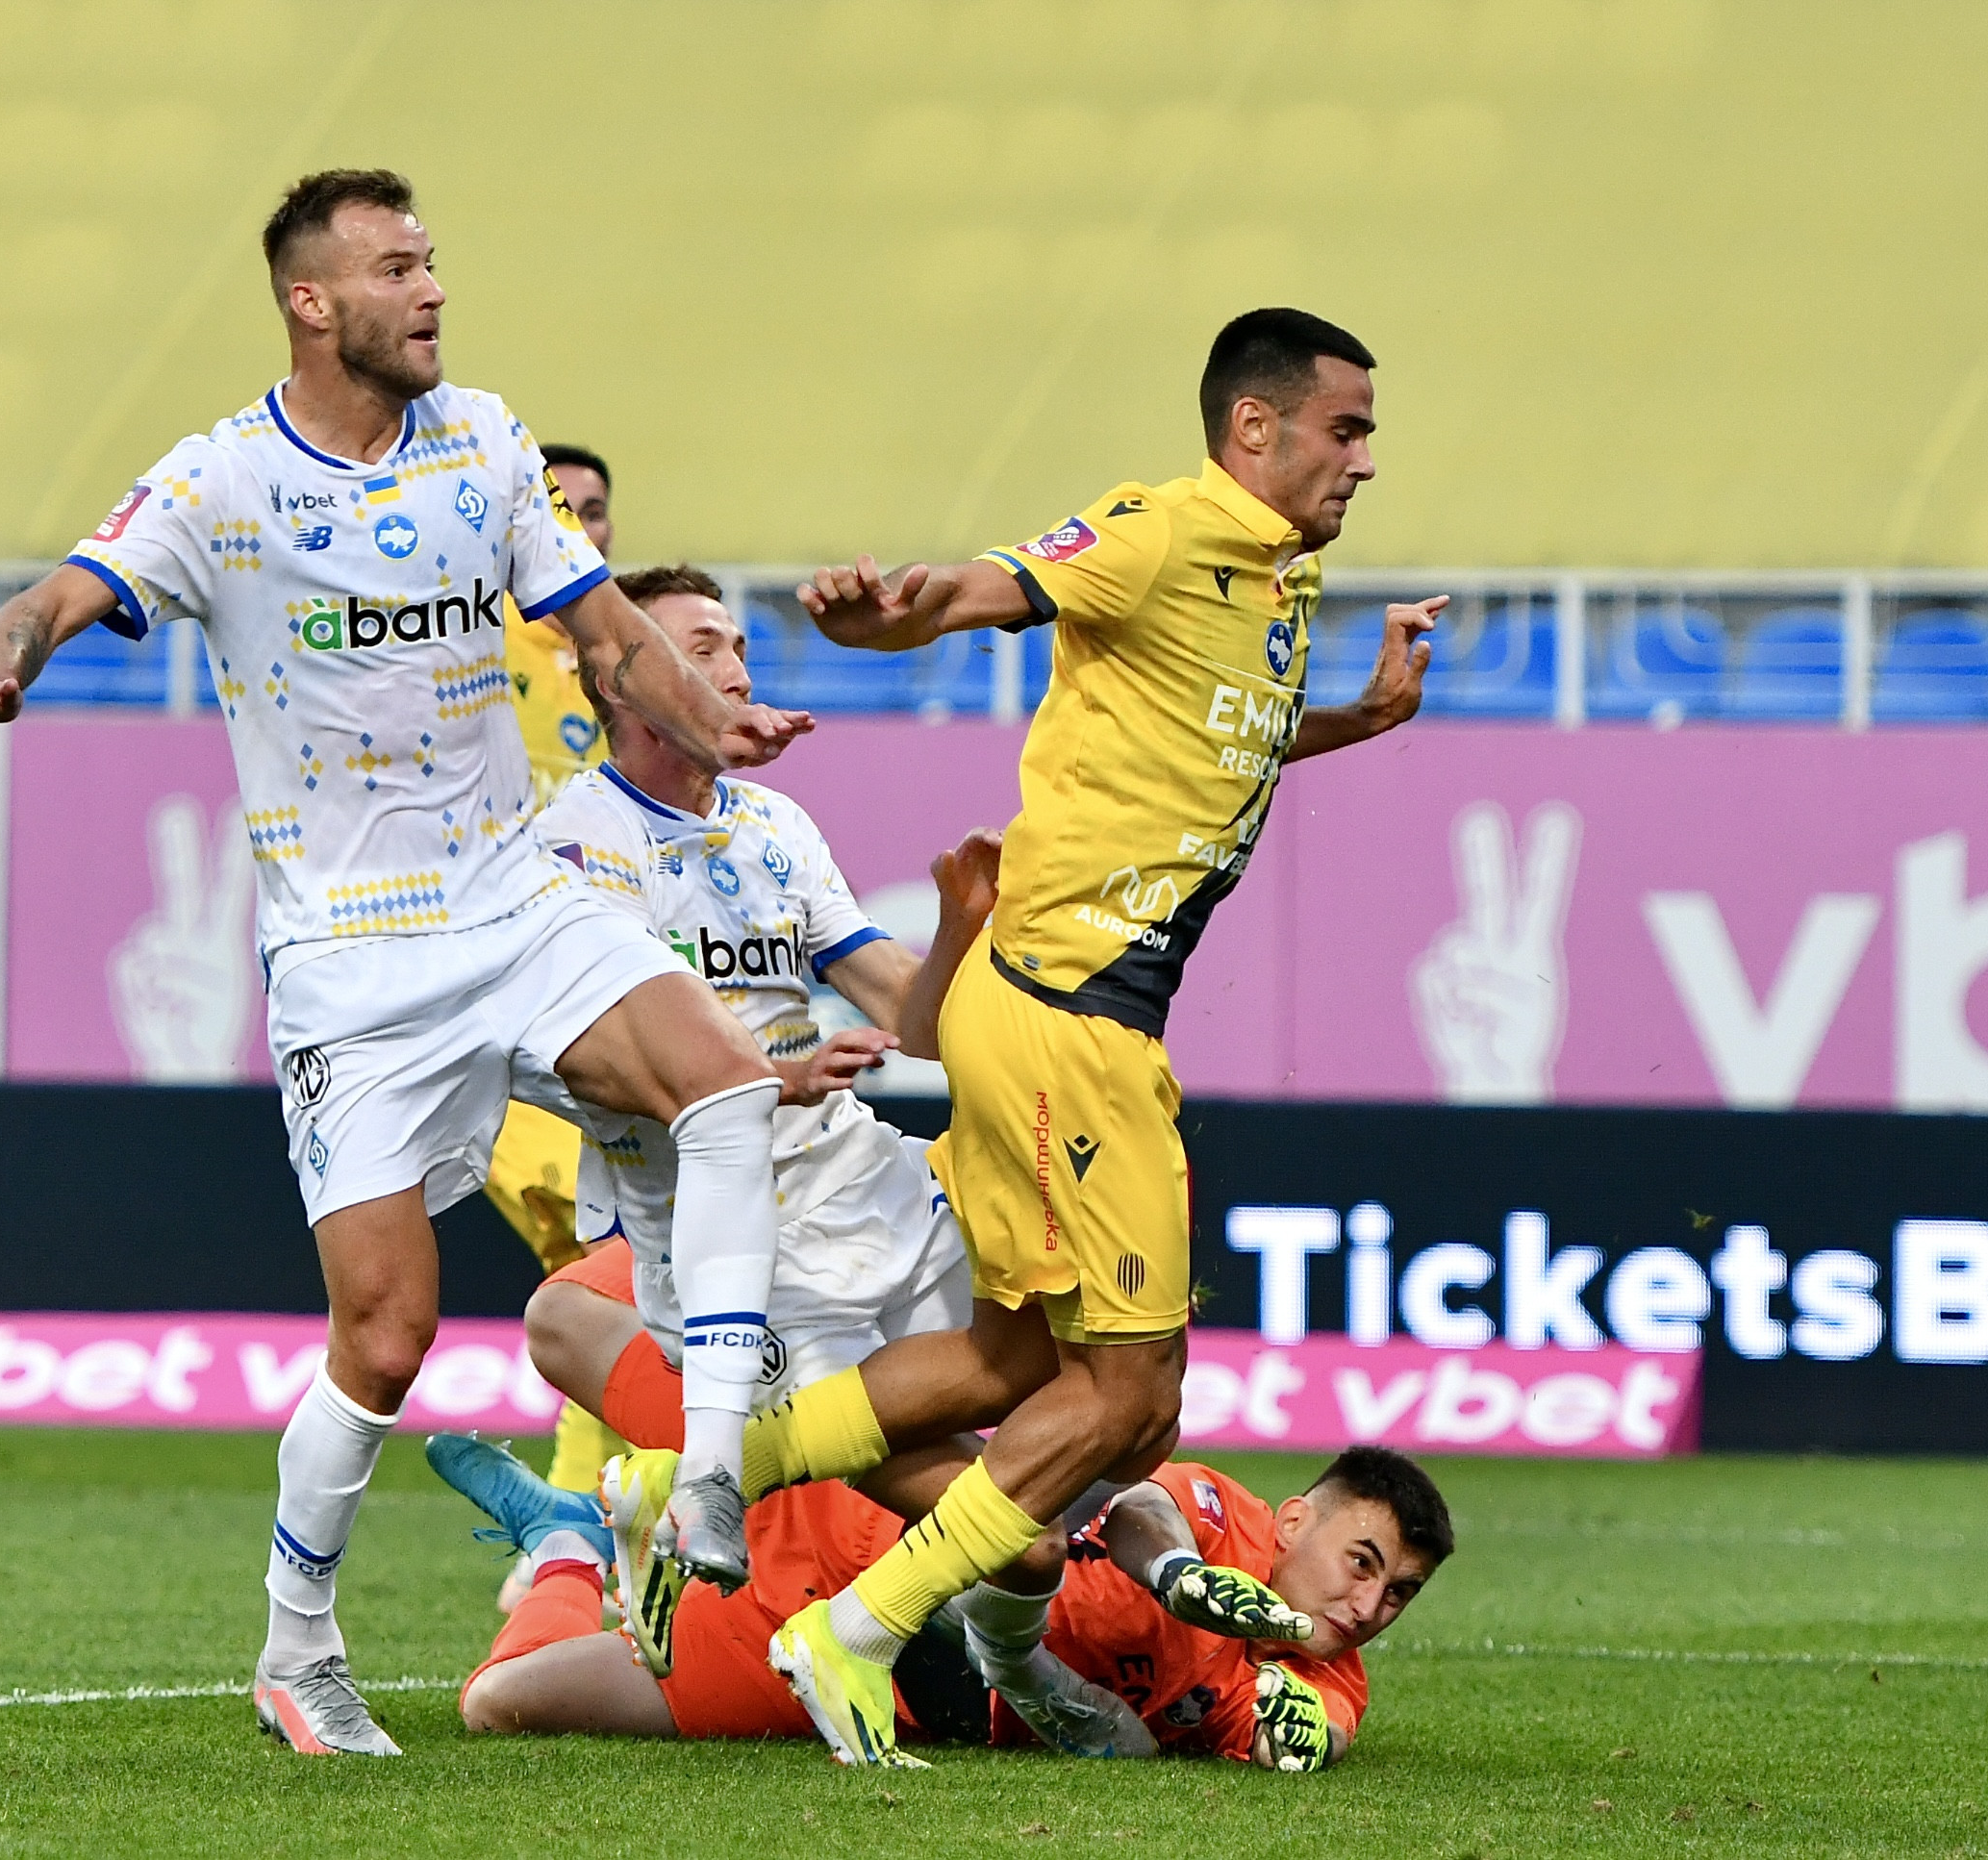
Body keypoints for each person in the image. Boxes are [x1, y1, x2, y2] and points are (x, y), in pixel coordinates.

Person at [0, 169, 812, 1756]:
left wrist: (708, 720)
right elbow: (57, 594)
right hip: (351, 957)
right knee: (386, 1337)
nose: (432, 288)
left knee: (728, 1085)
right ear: (312, 303)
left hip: (514, 898)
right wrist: (1, 669)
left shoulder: (484, 441)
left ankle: (713, 1460)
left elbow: (605, 629)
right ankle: (296, 1647)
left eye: (431, 260)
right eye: (396, 268)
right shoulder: (224, 480)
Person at [727, 307, 1450, 1765]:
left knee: (1010, 1360)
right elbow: (989, 586)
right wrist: (891, 621)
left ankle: (694, 1480)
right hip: (1069, 1013)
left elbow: (1227, 733)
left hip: (1056, 1009)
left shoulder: (1279, 576)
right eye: (1347, 428)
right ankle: (855, 1629)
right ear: (1255, 426)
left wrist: (1361, 718)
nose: (1365, 459)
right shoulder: (1159, 528)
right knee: (1128, 1395)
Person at [516, 561, 1006, 1653]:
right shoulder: (576, 844)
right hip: (734, 1251)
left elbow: (916, 1021)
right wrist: (767, 1078)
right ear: (624, 677)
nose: (736, 669)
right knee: (991, 1515)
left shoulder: (776, 823)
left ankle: (678, 1489)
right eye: (702, 650)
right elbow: (603, 1059)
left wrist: (959, 928)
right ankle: (991, 1648)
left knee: (1066, 1371)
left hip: (868, 1186)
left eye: (738, 646)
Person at [429, 1428, 1449, 1772]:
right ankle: (635, 1483)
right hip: (863, 1528)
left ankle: (565, 1548)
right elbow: (1146, 1505)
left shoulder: (1327, 1676)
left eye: (1398, 1591)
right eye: (1361, 1562)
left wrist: (1303, 1740)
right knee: (1023, 1545)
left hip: (880, 1676)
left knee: (499, 1702)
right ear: (1294, 1521)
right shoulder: (1221, 1517)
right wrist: (1181, 1577)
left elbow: (1310, 1738)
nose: (1369, 1604)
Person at [484, 440, 623, 1514]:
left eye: (594, 508)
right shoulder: (472, 639)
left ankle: (585, 1523)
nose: (578, 523)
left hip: (594, 989)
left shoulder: (626, 657)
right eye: (557, 505)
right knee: (607, 1257)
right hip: (484, 997)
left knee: (608, 1264)